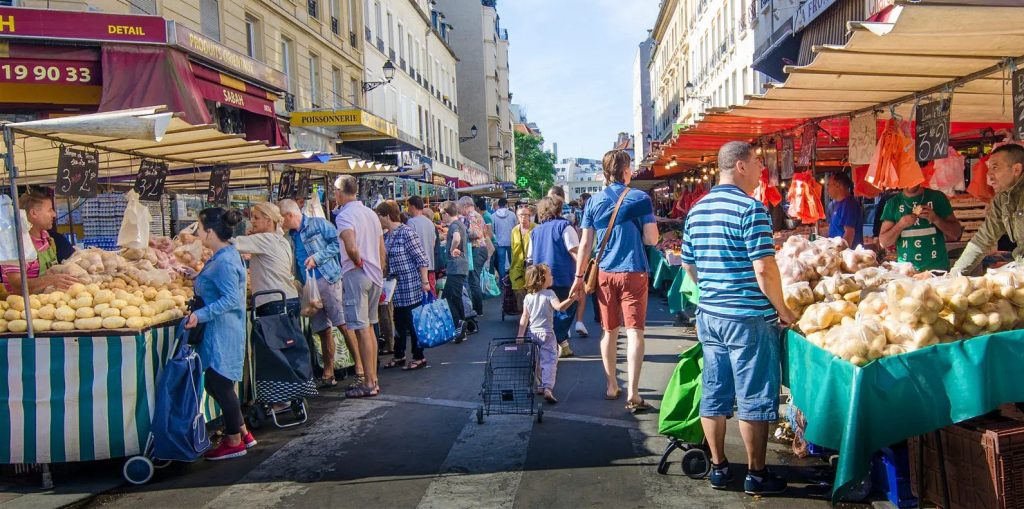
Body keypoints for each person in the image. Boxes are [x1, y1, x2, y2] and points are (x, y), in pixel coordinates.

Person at [679, 141, 798, 495]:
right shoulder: (752, 209)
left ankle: (718, 468)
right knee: (755, 396)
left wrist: (714, 289)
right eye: (758, 164)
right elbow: (764, 270)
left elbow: (688, 265)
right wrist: (784, 310)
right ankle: (756, 474)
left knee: (714, 392)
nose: (762, 171)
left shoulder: (697, 210)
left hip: (710, 315)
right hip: (748, 318)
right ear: (741, 166)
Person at [570, 149, 659, 412]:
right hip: (634, 270)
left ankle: (611, 385)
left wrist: (578, 277)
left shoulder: (593, 202)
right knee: (635, 332)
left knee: (609, 331)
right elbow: (652, 239)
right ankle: (633, 392)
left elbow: (586, 244)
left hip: (605, 272)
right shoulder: (640, 198)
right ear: (626, 171)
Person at [184, 207, 256, 460]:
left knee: (221, 384)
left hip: (221, 331)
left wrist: (199, 315)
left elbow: (230, 299)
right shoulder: (222, 255)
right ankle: (243, 432)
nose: (198, 232)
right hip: (219, 330)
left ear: (211, 232)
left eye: (200, 228)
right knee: (219, 384)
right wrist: (196, 276)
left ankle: (234, 441)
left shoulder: (225, 260)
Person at [280, 199, 354, 388]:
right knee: (322, 329)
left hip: (327, 279)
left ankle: (361, 369)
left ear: (289, 215)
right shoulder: (289, 236)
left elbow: (339, 243)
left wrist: (318, 257)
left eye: (281, 217)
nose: (280, 222)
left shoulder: (318, 224)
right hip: (308, 286)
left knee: (342, 324)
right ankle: (328, 373)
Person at [334, 176, 386, 398]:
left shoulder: (345, 215)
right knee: (370, 327)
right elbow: (381, 247)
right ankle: (373, 379)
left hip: (358, 273)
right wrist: (379, 270)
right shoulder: (370, 214)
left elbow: (351, 245)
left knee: (362, 328)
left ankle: (369, 382)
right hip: (374, 274)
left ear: (339, 191)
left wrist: (357, 262)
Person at [952, 143, 1024, 275]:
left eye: (995, 168)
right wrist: (954, 275)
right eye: (989, 168)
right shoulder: (1001, 200)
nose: (989, 176)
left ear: (1017, 169)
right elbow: (983, 239)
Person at [376, 201, 431, 371]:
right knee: (398, 321)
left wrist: (425, 281)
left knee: (412, 322)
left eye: (379, 216)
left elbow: (421, 258)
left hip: (410, 284)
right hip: (395, 287)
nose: (377, 220)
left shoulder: (406, 232)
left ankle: (418, 356)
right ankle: (399, 354)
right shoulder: (386, 236)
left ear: (386, 216)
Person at [528, 197, 580, 358]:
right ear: (558, 209)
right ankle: (553, 340)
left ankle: (563, 345)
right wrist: (583, 273)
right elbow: (575, 252)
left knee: (549, 313)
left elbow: (529, 258)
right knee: (567, 309)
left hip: (541, 278)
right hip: (563, 276)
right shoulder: (565, 226)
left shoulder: (535, 231)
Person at [518, 264, 576, 404]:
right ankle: (548, 387)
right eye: (549, 274)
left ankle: (539, 385)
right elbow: (560, 308)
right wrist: (572, 298)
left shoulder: (528, 297)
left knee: (536, 361)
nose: (552, 276)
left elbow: (525, 317)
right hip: (547, 334)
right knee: (549, 361)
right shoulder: (550, 294)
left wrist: (520, 334)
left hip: (532, 334)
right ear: (542, 279)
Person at [1, 189, 79, 293]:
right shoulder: (16, 244)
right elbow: (16, 284)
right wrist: (50, 280)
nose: (54, 214)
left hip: (49, 300)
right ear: (34, 213)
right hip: (25, 305)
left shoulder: (46, 236)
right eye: (50, 210)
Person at [232, 202, 300, 317]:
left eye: (256, 218)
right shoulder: (281, 240)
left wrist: (203, 238)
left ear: (269, 221)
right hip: (289, 299)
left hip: (273, 303)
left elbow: (231, 244)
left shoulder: (264, 239)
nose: (252, 221)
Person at [878, 182, 962, 273]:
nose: (910, 181)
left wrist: (935, 219)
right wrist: (900, 225)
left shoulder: (938, 198)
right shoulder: (893, 203)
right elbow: (884, 242)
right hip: (906, 271)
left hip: (937, 270)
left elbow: (956, 233)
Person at [440, 201, 470, 342]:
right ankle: (461, 326)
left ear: (446, 213)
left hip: (456, 267)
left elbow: (457, 238)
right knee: (454, 297)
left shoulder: (454, 225)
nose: (441, 218)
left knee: (448, 297)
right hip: (460, 266)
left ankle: (459, 322)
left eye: (442, 214)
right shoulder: (460, 223)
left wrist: (452, 249)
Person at [459, 196, 490, 318]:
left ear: (465, 206)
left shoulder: (471, 216)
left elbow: (476, 233)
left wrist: (463, 232)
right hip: (480, 249)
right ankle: (478, 309)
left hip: (477, 249)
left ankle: (478, 310)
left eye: (461, 207)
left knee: (473, 280)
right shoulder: (477, 215)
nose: (460, 210)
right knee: (474, 280)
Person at [406, 196, 438, 294]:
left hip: (418, 266)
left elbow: (410, 244)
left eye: (408, 206)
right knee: (431, 295)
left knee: (420, 297)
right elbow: (433, 243)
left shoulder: (411, 222)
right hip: (430, 265)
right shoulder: (430, 222)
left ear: (412, 207)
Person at [826, 172, 864, 248]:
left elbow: (849, 233)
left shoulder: (849, 204)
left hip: (846, 255)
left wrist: (841, 254)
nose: (827, 189)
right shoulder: (839, 203)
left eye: (829, 185)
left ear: (837, 185)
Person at [509, 204, 535, 311]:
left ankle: (532, 317)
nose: (523, 217)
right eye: (520, 215)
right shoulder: (515, 230)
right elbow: (513, 250)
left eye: (525, 215)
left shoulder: (536, 228)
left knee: (532, 291)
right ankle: (524, 314)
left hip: (533, 266)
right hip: (517, 267)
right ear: (517, 216)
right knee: (519, 291)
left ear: (530, 216)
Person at [491, 198, 517, 280]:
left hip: (499, 242)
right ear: (506, 204)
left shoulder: (493, 216)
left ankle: (503, 280)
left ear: (498, 205)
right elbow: (516, 227)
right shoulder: (512, 214)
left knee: (501, 262)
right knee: (512, 262)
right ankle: (513, 279)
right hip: (511, 241)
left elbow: (492, 229)